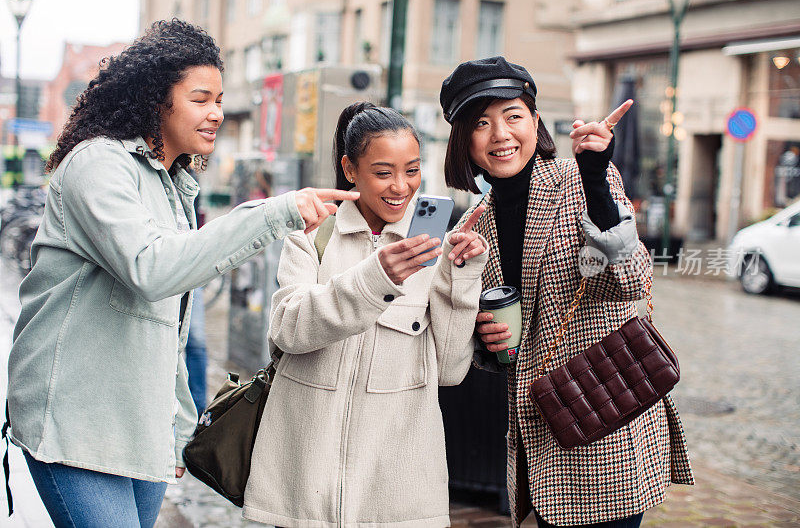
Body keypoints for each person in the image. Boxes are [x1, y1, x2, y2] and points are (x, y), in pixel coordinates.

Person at [5, 20, 356, 528]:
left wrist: (172, 427)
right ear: (155, 99)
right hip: (73, 421)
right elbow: (152, 270)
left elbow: (165, 326)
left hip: (137, 423)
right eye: (200, 99)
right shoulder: (96, 166)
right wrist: (273, 213)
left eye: (219, 99)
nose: (215, 113)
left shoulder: (174, 183)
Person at [439, 57, 694, 527]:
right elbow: (501, 338)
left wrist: (597, 177)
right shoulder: (475, 221)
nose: (501, 134)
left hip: (604, 428)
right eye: (481, 123)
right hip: (538, 441)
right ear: (464, 141)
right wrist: (485, 340)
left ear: (535, 121)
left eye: (513, 116)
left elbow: (631, 282)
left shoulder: (581, 181)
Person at [243, 103, 489, 527]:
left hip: (395, 499)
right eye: (383, 172)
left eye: (412, 171)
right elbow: (288, 330)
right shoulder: (312, 235)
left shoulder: (434, 249)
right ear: (350, 169)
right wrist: (376, 279)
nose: (401, 186)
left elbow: (449, 369)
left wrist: (459, 278)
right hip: (302, 492)